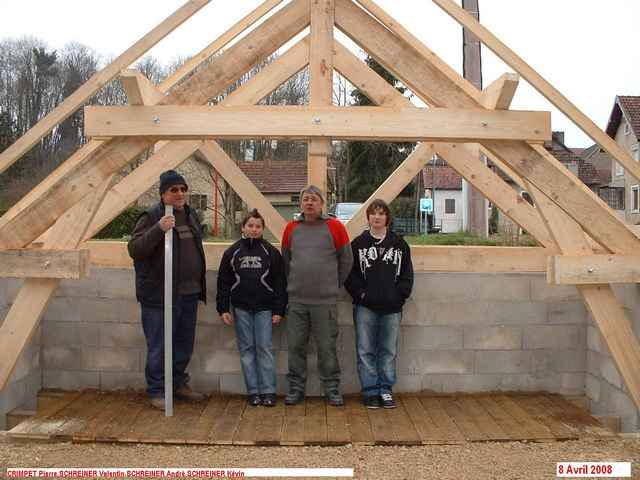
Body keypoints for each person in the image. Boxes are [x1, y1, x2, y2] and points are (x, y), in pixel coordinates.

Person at [128, 170, 206, 410]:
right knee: (160, 345)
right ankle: (158, 390)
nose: (180, 194)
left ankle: (177, 384)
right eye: (174, 190)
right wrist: (158, 229)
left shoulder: (190, 214)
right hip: (160, 295)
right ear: (163, 194)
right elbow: (135, 249)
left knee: (183, 343)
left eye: (183, 189)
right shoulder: (152, 216)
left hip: (188, 293)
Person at [281, 185, 353, 406]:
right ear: (300, 204)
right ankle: (295, 389)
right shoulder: (291, 228)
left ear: (322, 203)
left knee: (327, 348)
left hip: (325, 302)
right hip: (297, 302)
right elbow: (286, 261)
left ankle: (332, 389)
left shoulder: (336, 227)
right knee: (295, 347)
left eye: (314, 199)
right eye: (305, 200)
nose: (309, 203)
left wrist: (333, 284)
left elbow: (346, 261)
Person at [345, 199, 413, 409]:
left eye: (381, 213)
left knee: (388, 351)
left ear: (387, 218)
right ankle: (370, 391)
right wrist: (362, 294)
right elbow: (349, 274)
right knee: (365, 350)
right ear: (368, 218)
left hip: (392, 308)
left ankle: (385, 389)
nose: (377, 217)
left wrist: (399, 295)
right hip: (365, 307)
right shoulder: (358, 244)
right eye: (373, 213)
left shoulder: (399, 244)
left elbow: (407, 275)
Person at [216, 209, 287, 407]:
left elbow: (280, 283)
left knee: (264, 348)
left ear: (263, 229)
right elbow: (223, 282)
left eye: (258, 226)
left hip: (265, 308)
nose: (254, 229)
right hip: (241, 308)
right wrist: (223, 308)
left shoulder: (271, 253)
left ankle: (269, 391)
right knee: (247, 350)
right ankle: (253, 392)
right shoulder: (232, 252)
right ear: (243, 228)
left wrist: (279, 310)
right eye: (250, 226)